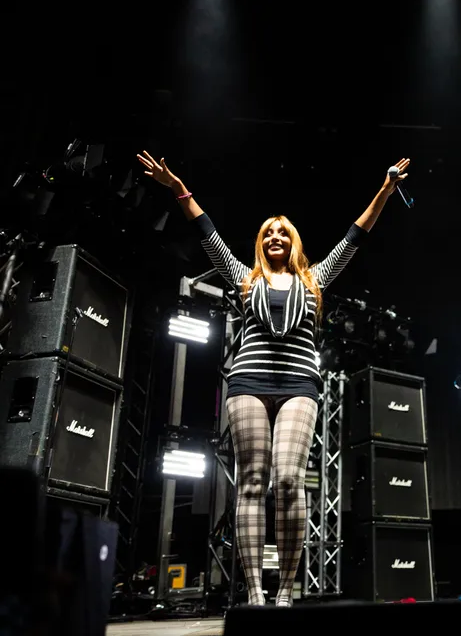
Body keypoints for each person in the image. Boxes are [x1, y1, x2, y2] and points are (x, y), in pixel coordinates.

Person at [137, 150, 410, 606]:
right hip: (248, 382)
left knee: (287, 480)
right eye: (268, 233)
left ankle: (284, 590)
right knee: (251, 482)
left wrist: (385, 190)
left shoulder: (315, 279)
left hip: (299, 385)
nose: (276, 237)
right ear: (261, 244)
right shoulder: (244, 279)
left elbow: (356, 235)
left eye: (283, 232)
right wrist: (178, 188)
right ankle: (255, 594)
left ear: (294, 243)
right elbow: (206, 232)